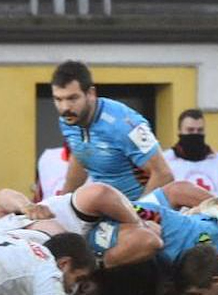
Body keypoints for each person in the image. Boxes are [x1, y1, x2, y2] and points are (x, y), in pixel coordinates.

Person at [53, 60, 173, 201]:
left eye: (72, 98)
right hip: (106, 209)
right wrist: (61, 204)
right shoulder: (68, 120)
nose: (65, 107)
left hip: (139, 209)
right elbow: (80, 156)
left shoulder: (126, 124)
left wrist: (138, 214)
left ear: (91, 93)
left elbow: (164, 174)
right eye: (58, 99)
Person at [163, 109, 218, 194]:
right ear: (179, 131)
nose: (195, 134)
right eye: (190, 130)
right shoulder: (165, 161)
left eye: (200, 130)